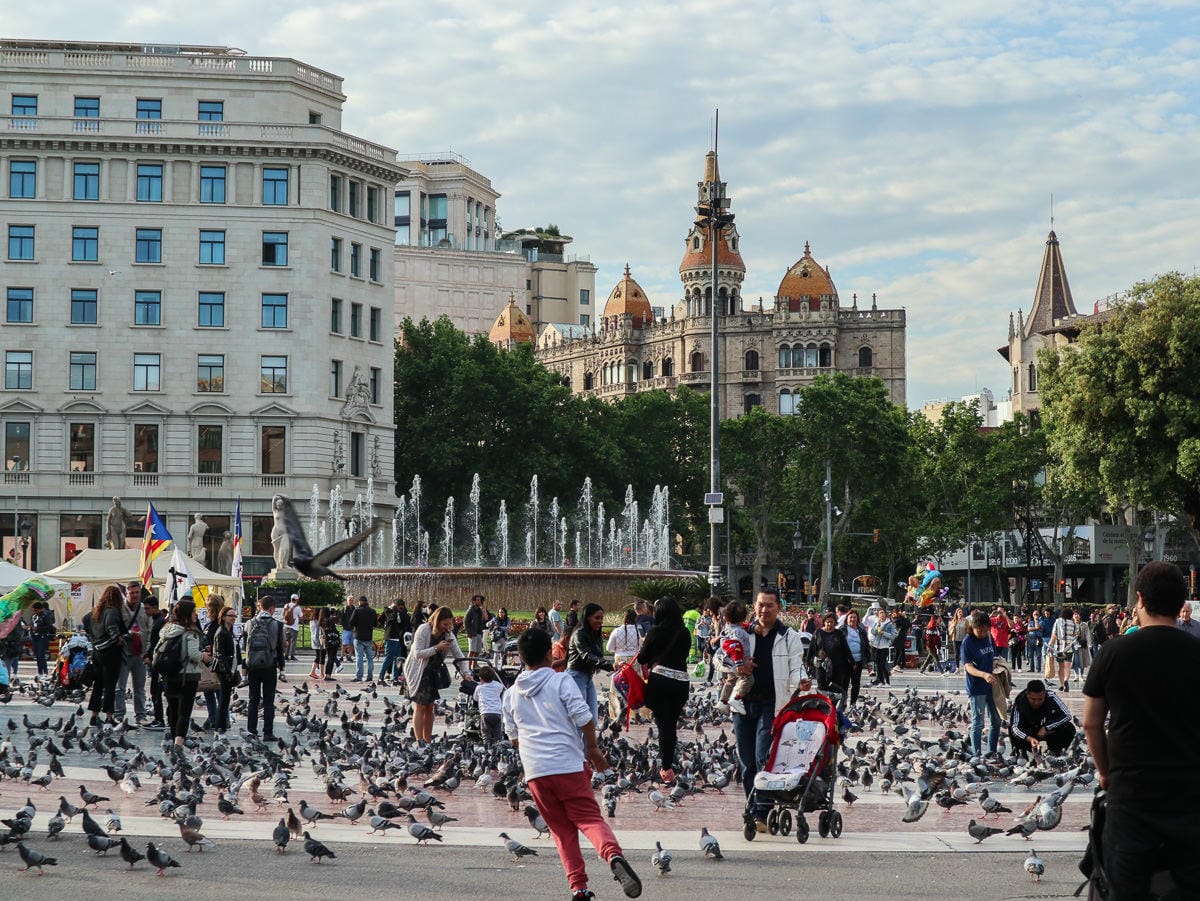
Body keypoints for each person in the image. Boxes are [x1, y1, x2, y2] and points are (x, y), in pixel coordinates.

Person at [1083, 561, 1200, 899]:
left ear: (1139, 599)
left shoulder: (1113, 652)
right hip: (1189, 793)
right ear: (1181, 603)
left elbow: (1091, 722)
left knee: (1125, 888)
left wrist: (1105, 772)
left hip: (1131, 793)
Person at [502, 628, 642, 901]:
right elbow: (584, 717)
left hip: (536, 773)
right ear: (549, 654)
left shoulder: (511, 694)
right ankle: (613, 855)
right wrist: (593, 749)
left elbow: (514, 739)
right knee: (589, 819)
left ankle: (579, 888)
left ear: (521, 657)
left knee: (561, 832)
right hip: (567, 765)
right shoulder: (561, 681)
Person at [731, 589, 809, 833]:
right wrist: (737, 665)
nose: (764, 610)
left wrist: (802, 681)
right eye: (760, 605)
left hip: (771, 704)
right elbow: (719, 657)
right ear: (754, 606)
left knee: (762, 758)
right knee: (746, 762)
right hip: (742, 703)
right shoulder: (742, 632)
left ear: (779, 608)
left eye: (769, 605)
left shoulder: (788, 636)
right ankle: (752, 807)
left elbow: (796, 665)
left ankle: (762, 812)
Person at [636, 597, 692, 783]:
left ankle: (666, 768)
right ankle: (669, 763)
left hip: (660, 681)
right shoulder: (684, 632)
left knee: (663, 726)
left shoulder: (656, 631)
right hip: (681, 683)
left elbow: (643, 658)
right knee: (672, 724)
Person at [403, 605, 473, 742]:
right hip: (418, 671)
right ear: (437, 621)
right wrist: (437, 648)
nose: (447, 627)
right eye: (444, 624)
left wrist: (466, 673)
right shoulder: (424, 629)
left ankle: (428, 739)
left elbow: (459, 654)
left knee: (430, 707)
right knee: (420, 705)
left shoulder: (448, 634)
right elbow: (417, 654)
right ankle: (419, 741)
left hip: (432, 672)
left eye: (449, 624)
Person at [157, 597, 208, 750]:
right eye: (193, 612)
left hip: (168, 675)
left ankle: (174, 740)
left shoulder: (166, 630)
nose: (195, 615)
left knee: (173, 711)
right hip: (187, 676)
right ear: (187, 614)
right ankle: (178, 744)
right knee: (184, 712)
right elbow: (193, 654)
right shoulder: (190, 632)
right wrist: (204, 656)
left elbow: (156, 650)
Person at [961, 610, 1001, 757]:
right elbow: (968, 667)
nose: (983, 633)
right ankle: (976, 755)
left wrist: (998, 665)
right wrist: (984, 674)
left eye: (985, 630)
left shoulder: (988, 637)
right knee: (978, 723)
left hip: (991, 685)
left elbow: (992, 656)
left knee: (996, 720)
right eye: (980, 630)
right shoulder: (967, 642)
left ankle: (991, 753)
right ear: (973, 627)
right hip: (976, 687)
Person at [245, 595, 286, 740]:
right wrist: (282, 669)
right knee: (268, 701)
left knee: (253, 699)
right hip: (270, 666)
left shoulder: (249, 623)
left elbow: (246, 646)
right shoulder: (278, 625)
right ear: (272, 608)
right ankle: (268, 732)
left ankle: (251, 731)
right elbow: (281, 648)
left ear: (260, 606)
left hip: (253, 666)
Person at [84, 585, 125, 725]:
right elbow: (112, 629)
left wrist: (93, 636)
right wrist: (118, 638)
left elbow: (85, 620)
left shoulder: (95, 611)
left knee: (98, 685)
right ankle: (108, 716)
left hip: (97, 652)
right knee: (110, 686)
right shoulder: (112, 611)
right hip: (111, 653)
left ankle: (94, 715)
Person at [114, 580, 152, 726]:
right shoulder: (119, 609)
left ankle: (141, 715)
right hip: (123, 653)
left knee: (140, 688)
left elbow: (149, 630)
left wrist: (147, 651)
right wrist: (126, 635)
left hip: (139, 654)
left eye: (137, 592)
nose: (135, 595)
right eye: (132, 593)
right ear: (126, 593)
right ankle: (119, 715)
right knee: (120, 687)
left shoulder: (144, 609)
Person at [1008, 679, 1075, 756]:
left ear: (1044, 695)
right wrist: (1029, 738)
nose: (1036, 703)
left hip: (1046, 733)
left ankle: (1056, 754)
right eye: (1033, 699)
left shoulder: (1051, 696)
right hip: (1029, 734)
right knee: (1013, 732)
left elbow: (1067, 715)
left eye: (1040, 699)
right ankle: (1021, 755)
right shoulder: (1020, 701)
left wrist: (1046, 727)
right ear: (1027, 695)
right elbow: (1015, 727)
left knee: (1068, 728)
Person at [567, 602, 609, 723]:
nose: (600, 621)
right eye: (597, 618)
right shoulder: (579, 634)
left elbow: (597, 656)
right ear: (587, 617)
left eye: (601, 618)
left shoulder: (594, 634)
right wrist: (610, 665)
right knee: (580, 720)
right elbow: (587, 656)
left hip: (587, 677)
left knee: (592, 720)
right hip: (576, 677)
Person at [717, 600, 754, 713]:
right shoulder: (739, 632)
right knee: (748, 679)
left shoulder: (727, 627)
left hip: (728, 660)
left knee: (730, 680)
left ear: (726, 618)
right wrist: (739, 663)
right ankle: (737, 699)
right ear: (743, 618)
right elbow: (736, 646)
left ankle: (722, 701)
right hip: (738, 662)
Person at [209, 605, 240, 734]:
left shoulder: (229, 631)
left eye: (234, 616)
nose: (233, 618)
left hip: (229, 668)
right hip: (223, 669)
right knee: (223, 699)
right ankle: (220, 726)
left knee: (225, 699)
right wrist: (228, 671)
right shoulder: (221, 632)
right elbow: (220, 653)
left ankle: (221, 725)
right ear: (223, 617)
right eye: (230, 616)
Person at [809, 611, 852, 701]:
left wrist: (852, 661)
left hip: (837, 666)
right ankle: (822, 707)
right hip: (821, 666)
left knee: (835, 689)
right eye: (827, 622)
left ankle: (832, 707)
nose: (829, 624)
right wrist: (808, 661)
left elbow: (846, 649)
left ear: (835, 623)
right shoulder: (818, 632)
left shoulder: (839, 634)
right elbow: (811, 648)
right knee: (822, 689)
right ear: (824, 622)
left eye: (832, 622)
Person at [141, 596, 166, 729]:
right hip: (157, 660)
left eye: (147, 608)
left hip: (158, 661)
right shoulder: (157, 621)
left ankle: (159, 719)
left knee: (156, 691)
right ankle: (159, 718)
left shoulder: (159, 622)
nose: (146, 611)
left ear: (155, 607)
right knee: (156, 691)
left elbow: (157, 644)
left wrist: (148, 656)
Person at [1046, 606, 1080, 692]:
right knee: (1067, 667)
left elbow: (1054, 635)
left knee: (1061, 667)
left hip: (1059, 648)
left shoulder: (1057, 621)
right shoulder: (1073, 623)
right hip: (1069, 648)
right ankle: (1066, 681)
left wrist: (1049, 646)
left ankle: (1061, 685)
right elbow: (1076, 636)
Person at [840, 609, 869, 704]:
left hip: (858, 660)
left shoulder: (861, 631)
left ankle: (853, 703)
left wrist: (869, 661)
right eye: (851, 617)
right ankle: (843, 702)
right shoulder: (842, 629)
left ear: (857, 619)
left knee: (856, 683)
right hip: (845, 661)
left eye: (854, 617)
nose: (852, 619)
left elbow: (866, 645)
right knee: (844, 683)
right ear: (847, 619)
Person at [379, 597, 411, 683]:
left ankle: (395, 678)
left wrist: (402, 612)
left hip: (397, 638)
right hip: (390, 638)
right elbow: (391, 618)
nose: (400, 608)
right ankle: (380, 677)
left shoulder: (401, 613)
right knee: (388, 659)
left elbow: (404, 622)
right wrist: (394, 610)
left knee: (398, 659)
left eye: (402, 607)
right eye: (399, 606)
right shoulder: (388, 611)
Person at [350, 595, 378, 682]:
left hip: (358, 637)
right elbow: (375, 624)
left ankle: (359, 676)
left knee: (359, 657)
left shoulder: (357, 611)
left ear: (360, 602)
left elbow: (351, 622)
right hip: (369, 637)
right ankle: (370, 676)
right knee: (370, 658)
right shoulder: (373, 611)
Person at [476, 664, 505, 745]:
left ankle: (487, 747)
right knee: (498, 733)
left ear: (480, 678)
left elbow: (475, 698)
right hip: (497, 713)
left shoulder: (479, 688)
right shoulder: (498, 685)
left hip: (485, 713)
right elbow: (501, 689)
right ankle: (499, 746)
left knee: (486, 733)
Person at [868, 607, 896, 686]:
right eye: (880, 613)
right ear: (878, 615)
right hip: (876, 646)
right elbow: (873, 632)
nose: (882, 614)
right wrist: (877, 627)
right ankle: (882, 682)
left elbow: (893, 636)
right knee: (879, 665)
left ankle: (886, 682)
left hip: (884, 647)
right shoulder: (877, 623)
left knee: (881, 664)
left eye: (883, 613)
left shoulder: (889, 624)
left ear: (885, 614)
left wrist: (883, 633)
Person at [29, 600, 55, 677]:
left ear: (40, 609)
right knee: (37, 656)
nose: (35, 611)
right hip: (35, 637)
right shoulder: (34, 617)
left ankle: (45, 672)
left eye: (36, 610)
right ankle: (40, 672)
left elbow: (50, 627)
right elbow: (32, 625)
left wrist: (39, 628)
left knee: (41, 655)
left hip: (42, 637)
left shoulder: (45, 616)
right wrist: (30, 628)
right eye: (34, 610)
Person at [695, 599, 717, 683]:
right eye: (705, 612)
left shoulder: (711, 619)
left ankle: (704, 656)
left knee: (705, 649)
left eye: (708, 612)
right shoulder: (699, 618)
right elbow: (696, 626)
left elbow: (711, 628)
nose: (706, 613)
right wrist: (700, 624)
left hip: (706, 636)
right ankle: (704, 655)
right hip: (700, 634)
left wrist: (707, 624)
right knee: (699, 646)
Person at [465, 593, 486, 660]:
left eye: (480, 600)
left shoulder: (480, 610)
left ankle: (474, 665)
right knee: (472, 651)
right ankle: (469, 665)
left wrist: (484, 608)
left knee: (477, 651)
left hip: (479, 633)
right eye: (478, 600)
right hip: (473, 633)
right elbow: (465, 621)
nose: (479, 601)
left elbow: (485, 618)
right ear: (474, 601)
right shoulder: (471, 610)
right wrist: (468, 632)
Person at [281, 593, 301, 662]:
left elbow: (283, 614)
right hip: (294, 627)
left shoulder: (286, 605)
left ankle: (286, 655)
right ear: (297, 600)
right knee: (293, 642)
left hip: (286, 626)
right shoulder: (297, 607)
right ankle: (292, 655)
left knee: (287, 641)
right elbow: (301, 615)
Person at [309, 606, 327, 680]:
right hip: (320, 641)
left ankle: (313, 671)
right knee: (322, 656)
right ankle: (321, 674)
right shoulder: (319, 622)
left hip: (314, 640)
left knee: (318, 656)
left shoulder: (311, 621)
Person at [339, 596, 356, 665]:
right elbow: (341, 618)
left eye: (352, 600)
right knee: (344, 643)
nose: (351, 601)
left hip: (352, 629)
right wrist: (344, 625)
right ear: (347, 601)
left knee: (351, 644)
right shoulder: (344, 608)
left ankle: (349, 656)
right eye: (349, 600)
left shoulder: (355, 609)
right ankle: (342, 656)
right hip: (346, 629)